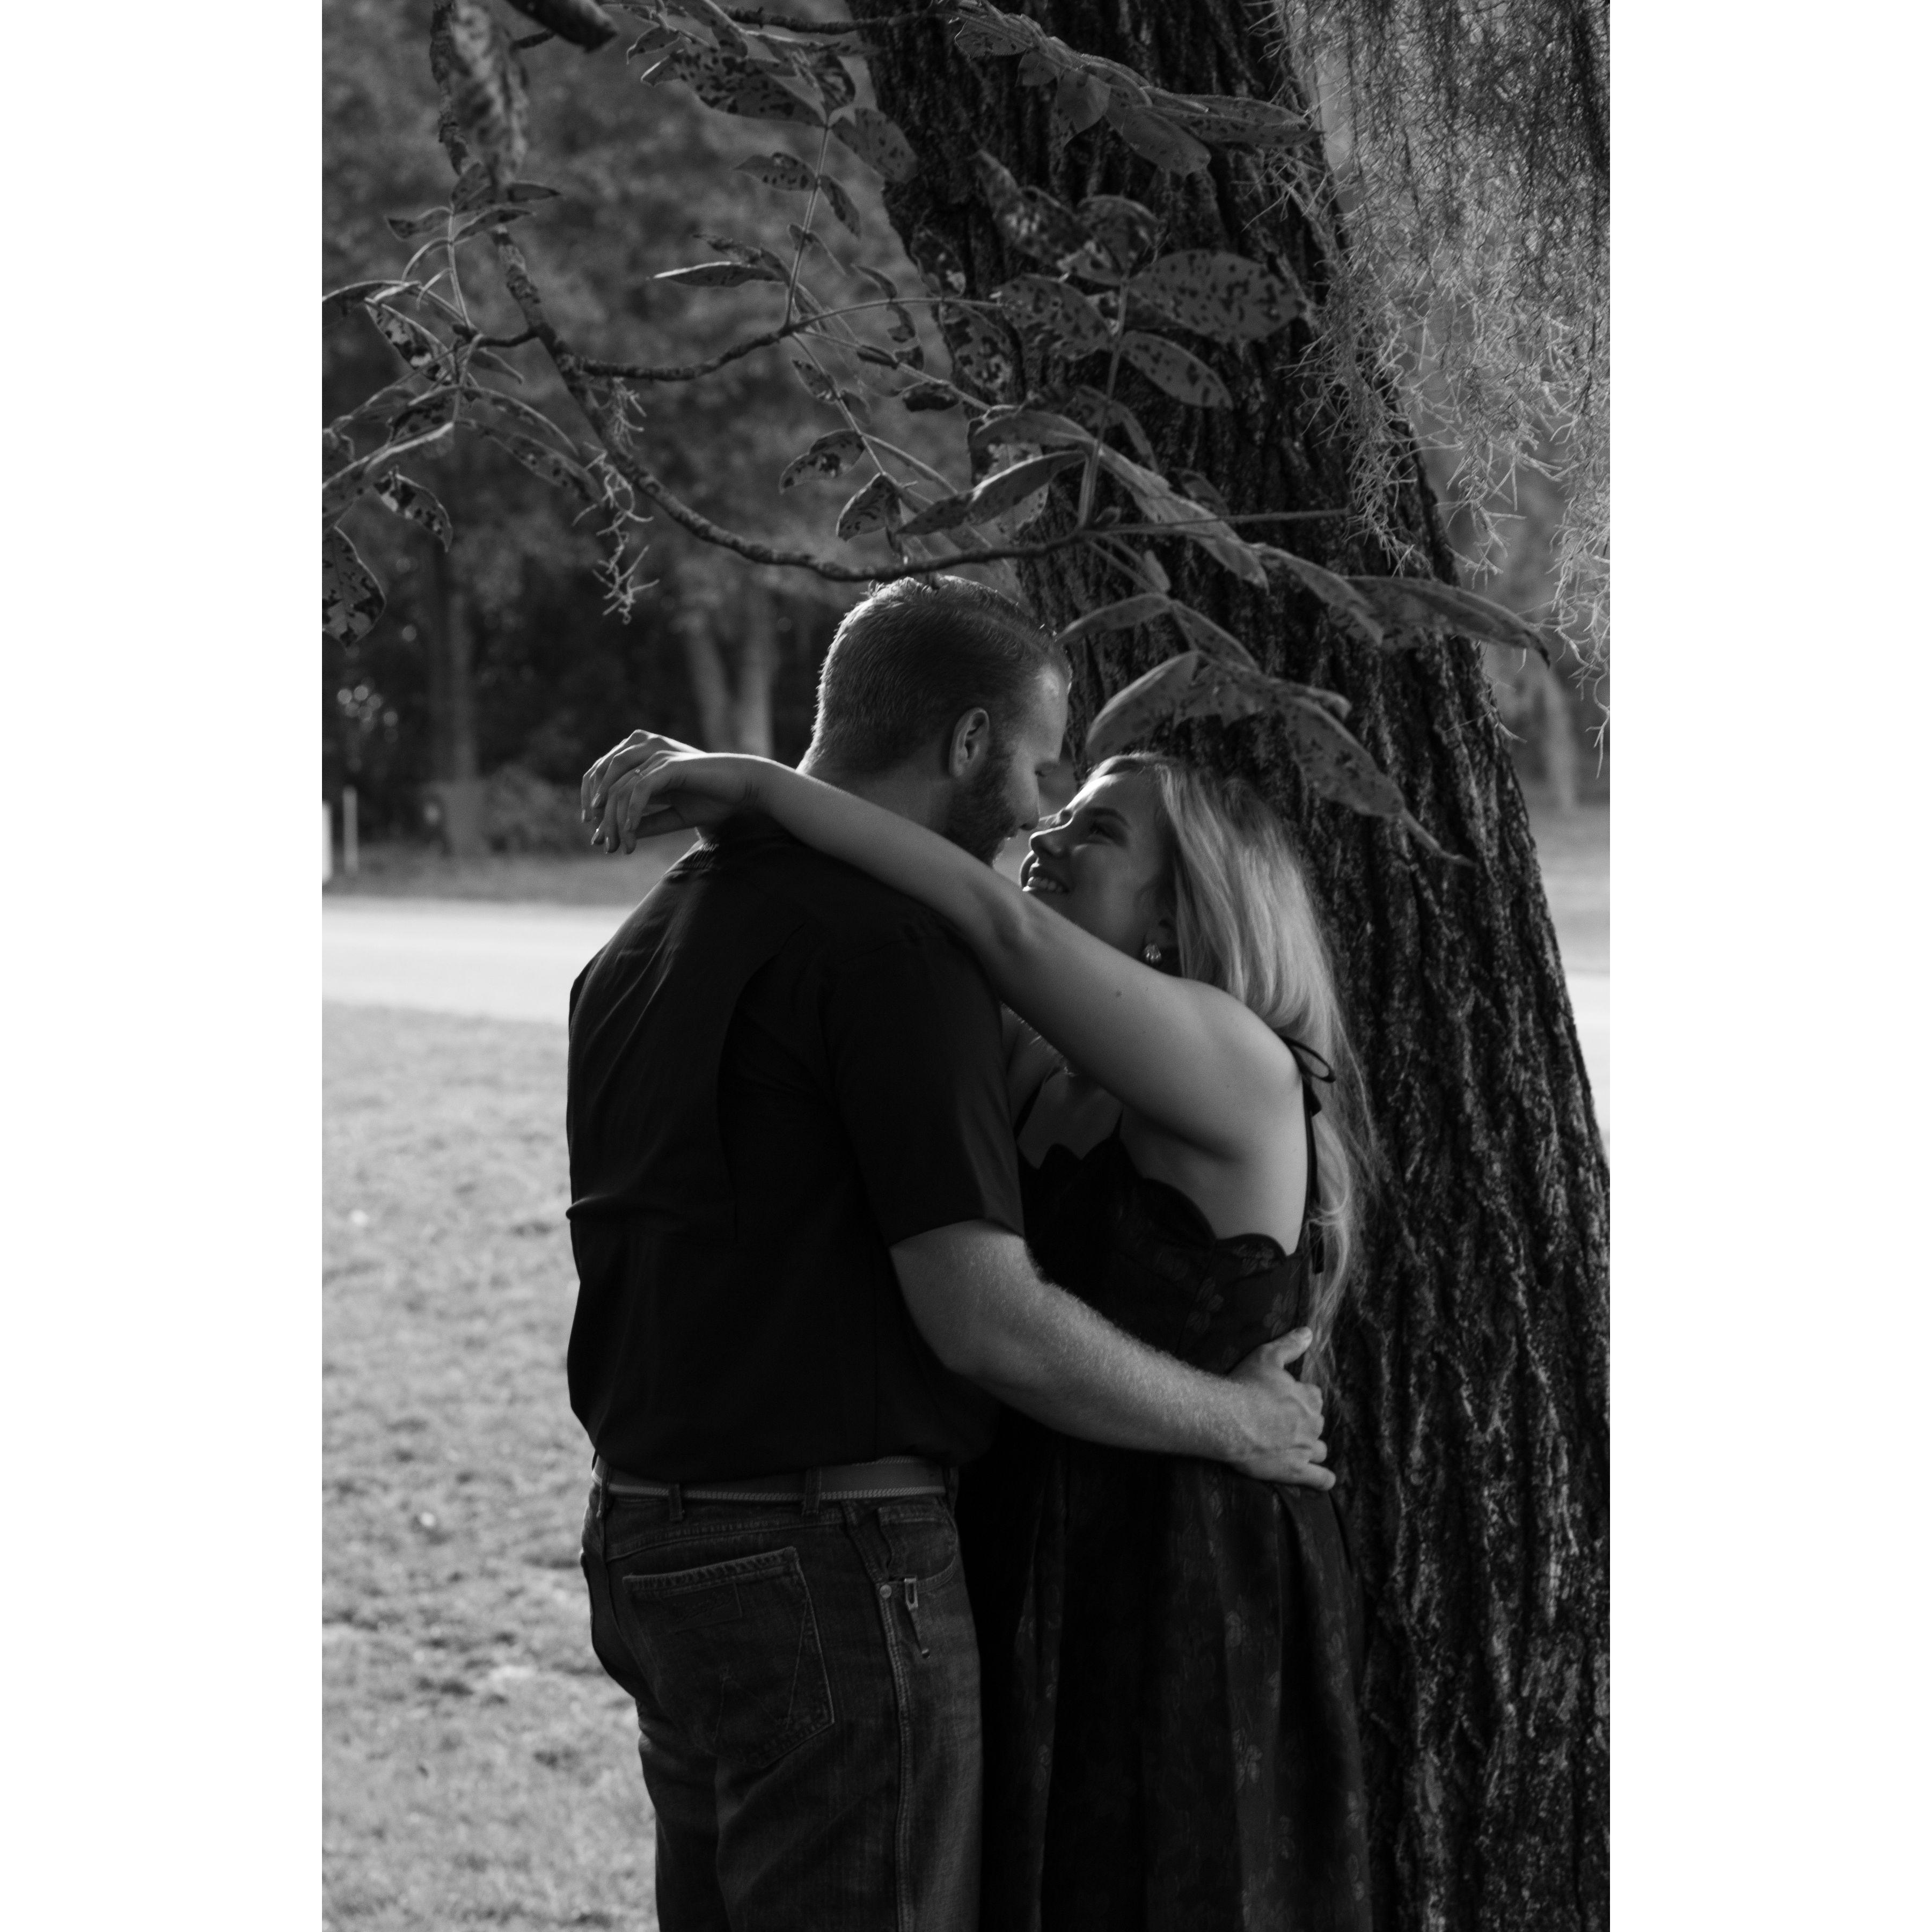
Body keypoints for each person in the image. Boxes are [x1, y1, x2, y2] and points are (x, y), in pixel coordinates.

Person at [566, 575, 1334, 1932]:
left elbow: (991, 924)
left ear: (1180, 908)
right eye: (1049, 777)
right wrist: (1232, 1416)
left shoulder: (644, 944)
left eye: (1095, 824)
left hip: (1144, 1576)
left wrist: (755, 787)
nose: (1044, 819)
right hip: (880, 1560)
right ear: (972, 741)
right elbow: (982, 1310)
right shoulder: (926, 979)